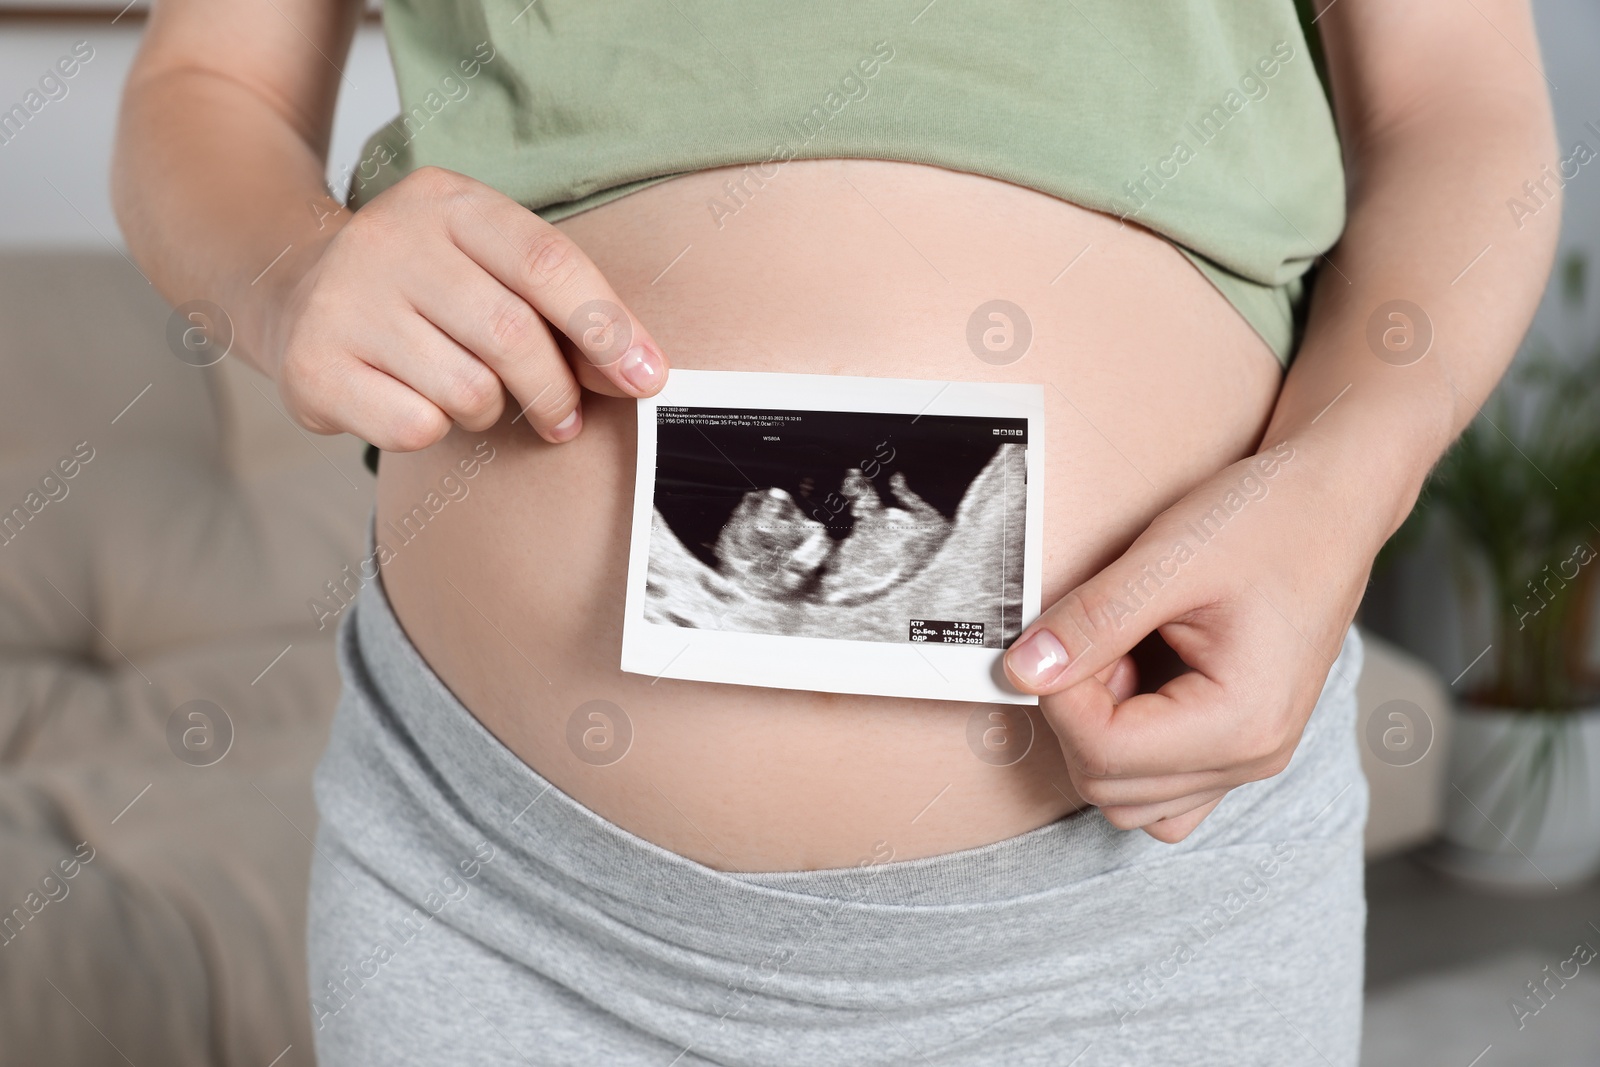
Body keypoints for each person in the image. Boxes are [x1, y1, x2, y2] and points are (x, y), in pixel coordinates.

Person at [113, 1, 1559, 1063]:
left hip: (1131, 907)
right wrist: (290, 271)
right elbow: (208, 79)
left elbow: (1457, 107)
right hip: (501, 892)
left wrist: (1352, 478)